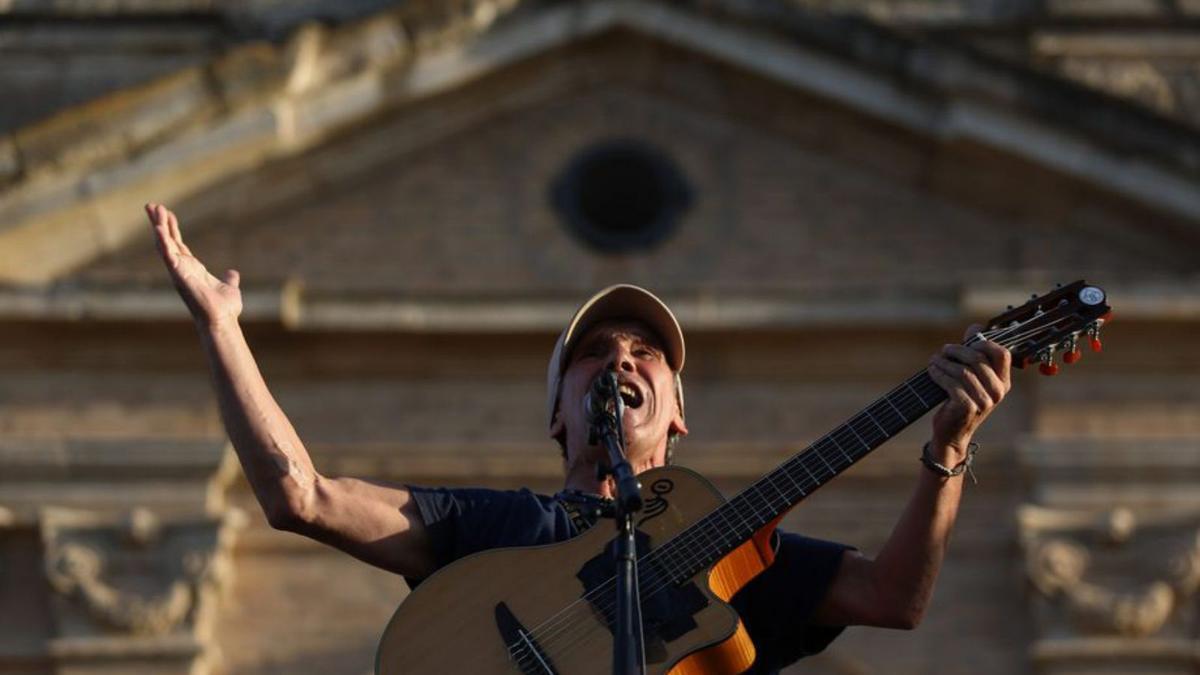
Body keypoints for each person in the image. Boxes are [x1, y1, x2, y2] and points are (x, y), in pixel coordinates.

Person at [145, 202, 1011, 672]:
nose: (619, 360)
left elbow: (895, 597)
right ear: (559, 411)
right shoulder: (494, 531)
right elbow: (301, 495)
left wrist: (947, 452)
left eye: (645, 354)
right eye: (593, 354)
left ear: (677, 412)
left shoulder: (738, 544)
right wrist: (222, 327)